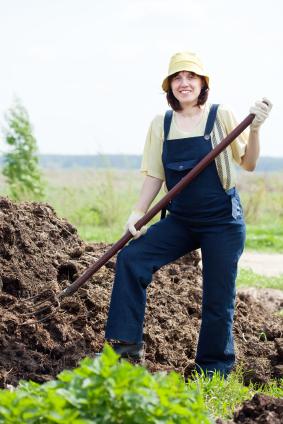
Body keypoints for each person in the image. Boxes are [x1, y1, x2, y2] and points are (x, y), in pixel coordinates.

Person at [101, 51, 272, 378]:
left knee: (217, 298)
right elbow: (155, 173)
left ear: (203, 83)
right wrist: (138, 212)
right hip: (181, 220)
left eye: (191, 77)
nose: (184, 83)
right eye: (177, 78)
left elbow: (248, 164)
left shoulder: (222, 116)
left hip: (222, 220)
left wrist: (257, 128)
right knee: (132, 258)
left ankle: (212, 371)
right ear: (169, 86)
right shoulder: (161, 123)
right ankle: (124, 353)